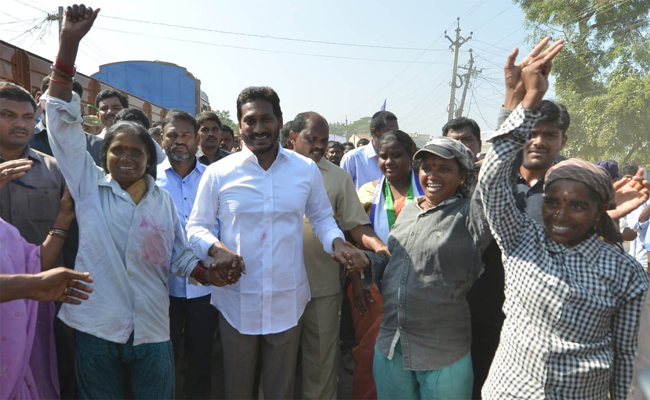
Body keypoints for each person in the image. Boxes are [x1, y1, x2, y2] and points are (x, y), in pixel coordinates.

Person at [45, 6, 221, 398]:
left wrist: (209, 275)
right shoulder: (89, 188)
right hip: (96, 328)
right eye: (117, 150)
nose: (127, 158)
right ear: (103, 155)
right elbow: (58, 118)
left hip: (153, 331)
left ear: (149, 159)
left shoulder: (161, 202)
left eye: (137, 152)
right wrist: (69, 42)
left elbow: (178, 256)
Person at [479, 37, 649, 399]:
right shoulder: (521, 240)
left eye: (577, 206)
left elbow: (629, 360)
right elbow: (491, 177)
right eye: (553, 201)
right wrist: (525, 101)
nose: (560, 213)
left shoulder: (625, 273)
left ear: (601, 210)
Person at [186, 86, 365, 399]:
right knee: (238, 389)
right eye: (249, 120)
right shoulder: (219, 173)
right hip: (237, 301)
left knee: (280, 390)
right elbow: (196, 228)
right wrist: (218, 251)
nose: (258, 128)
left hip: (287, 302)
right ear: (239, 125)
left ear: (280, 121)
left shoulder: (304, 170)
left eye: (265, 119)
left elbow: (322, 219)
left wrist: (337, 243)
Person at [351, 135, 490, 399]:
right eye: (427, 167)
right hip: (393, 342)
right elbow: (396, 260)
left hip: (441, 348)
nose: (432, 175)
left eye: (445, 169)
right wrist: (368, 260)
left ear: (463, 176)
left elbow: (497, 181)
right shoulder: (411, 209)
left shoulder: (472, 215)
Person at [288, 111, 388, 400]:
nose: (318, 146)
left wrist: (377, 246)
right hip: (278, 284)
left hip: (322, 284)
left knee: (321, 361)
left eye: (323, 140)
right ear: (293, 138)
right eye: (311, 139)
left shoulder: (339, 177)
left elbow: (355, 224)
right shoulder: (273, 171)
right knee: (275, 360)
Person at [348, 129, 424, 399]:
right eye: (383, 156)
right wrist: (356, 283)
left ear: (411, 157)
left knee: (412, 356)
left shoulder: (428, 189)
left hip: (419, 289)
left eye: (396, 155)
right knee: (370, 352)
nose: (389, 161)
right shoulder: (367, 192)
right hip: (374, 288)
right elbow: (355, 244)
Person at [156, 109, 217, 399]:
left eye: (186, 135)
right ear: (161, 138)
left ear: (197, 139)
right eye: (173, 135)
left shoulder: (214, 179)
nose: (179, 141)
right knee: (163, 359)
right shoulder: (148, 179)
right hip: (160, 289)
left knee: (201, 358)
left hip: (205, 289)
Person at [31, 75, 104, 164]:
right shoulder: (24, 142)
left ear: (79, 107)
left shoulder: (97, 147)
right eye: (56, 99)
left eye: (70, 101)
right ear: (39, 98)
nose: (62, 107)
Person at [341, 111, 399, 189]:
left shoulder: (399, 158)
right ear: (374, 132)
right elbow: (343, 191)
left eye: (396, 132)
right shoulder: (352, 158)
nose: (394, 136)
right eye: (388, 131)